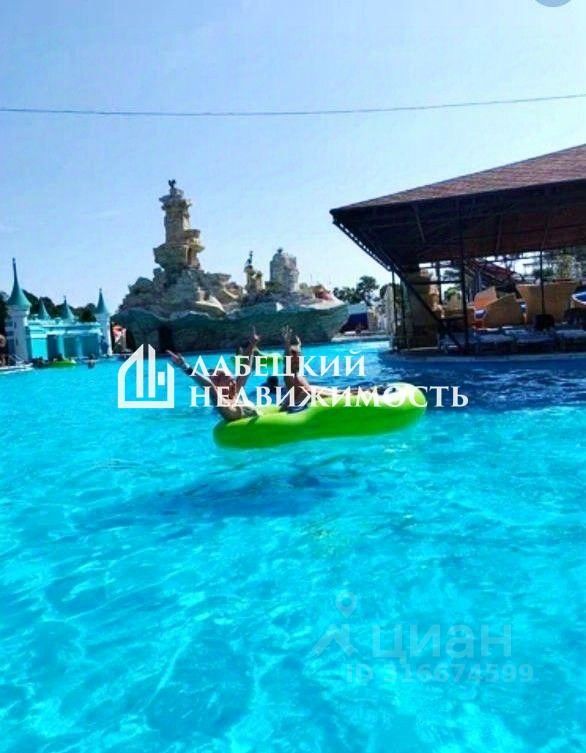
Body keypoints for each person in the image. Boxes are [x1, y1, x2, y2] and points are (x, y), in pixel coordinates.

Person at [166, 328, 261, 422]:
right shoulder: (227, 406)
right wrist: (185, 366)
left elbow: (245, 370)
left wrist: (252, 345)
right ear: (217, 386)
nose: (231, 379)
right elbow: (209, 386)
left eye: (231, 378)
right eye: (224, 377)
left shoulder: (234, 392)